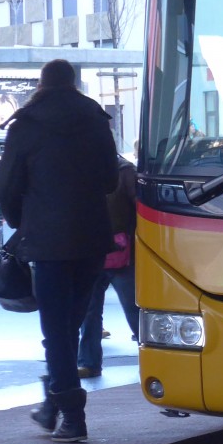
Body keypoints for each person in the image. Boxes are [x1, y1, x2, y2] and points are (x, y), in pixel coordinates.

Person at [0, 58, 118, 443]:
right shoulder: (96, 119)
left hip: (48, 243)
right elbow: (111, 180)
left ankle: (71, 415)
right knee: (70, 324)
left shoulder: (25, 125)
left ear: (41, 85)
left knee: (56, 331)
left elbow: (7, 186)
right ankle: (53, 405)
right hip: (91, 239)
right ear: (75, 83)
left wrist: (22, 221)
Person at [77, 154, 138, 378]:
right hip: (97, 252)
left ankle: (155, 358)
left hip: (119, 252)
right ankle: (88, 362)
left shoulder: (125, 171)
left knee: (133, 310)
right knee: (90, 312)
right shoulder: (84, 169)